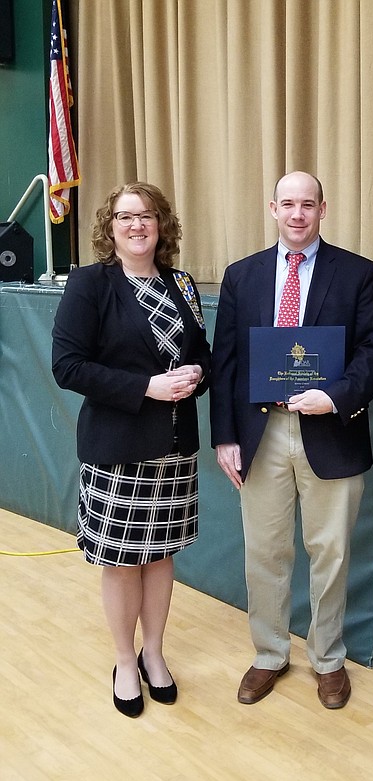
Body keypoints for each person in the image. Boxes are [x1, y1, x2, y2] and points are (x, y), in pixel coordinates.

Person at [209, 171, 373, 709]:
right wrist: (225, 437)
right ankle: (268, 654)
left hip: (329, 430)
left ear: (322, 209)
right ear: (272, 208)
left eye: (307, 205)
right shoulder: (241, 277)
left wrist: (335, 396)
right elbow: (226, 364)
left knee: (330, 552)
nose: (297, 214)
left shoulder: (357, 273)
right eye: (287, 204)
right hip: (259, 434)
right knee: (264, 551)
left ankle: (328, 658)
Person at [52, 182, 211, 718]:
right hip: (118, 448)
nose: (137, 225)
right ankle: (125, 660)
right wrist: (146, 386)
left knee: (160, 556)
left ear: (161, 224)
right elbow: (67, 366)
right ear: (110, 228)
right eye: (125, 217)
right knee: (121, 562)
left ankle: (155, 654)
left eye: (146, 215)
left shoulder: (181, 284)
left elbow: (203, 356)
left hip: (172, 448)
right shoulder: (89, 285)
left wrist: (196, 375)